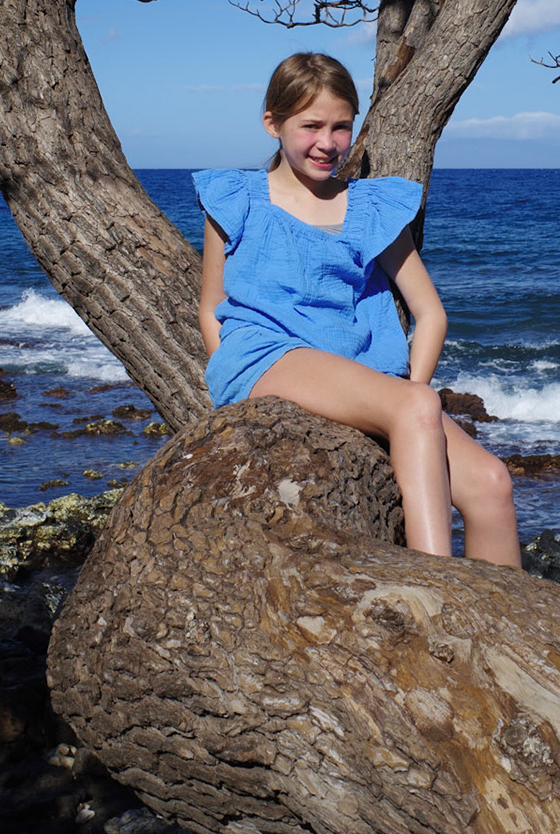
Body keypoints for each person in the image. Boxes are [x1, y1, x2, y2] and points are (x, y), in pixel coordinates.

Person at [194, 52, 521, 568]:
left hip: (361, 373)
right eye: (311, 125)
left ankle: (506, 628)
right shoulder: (239, 198)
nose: (327, 143)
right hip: (268, 355)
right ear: (272, 124)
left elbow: (430, 313)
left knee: (490, 483)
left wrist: (413, 388)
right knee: (416, 407)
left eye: (341, 126)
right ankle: (438, 587)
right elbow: (211, 304)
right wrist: (226, 381)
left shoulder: (370, 207)